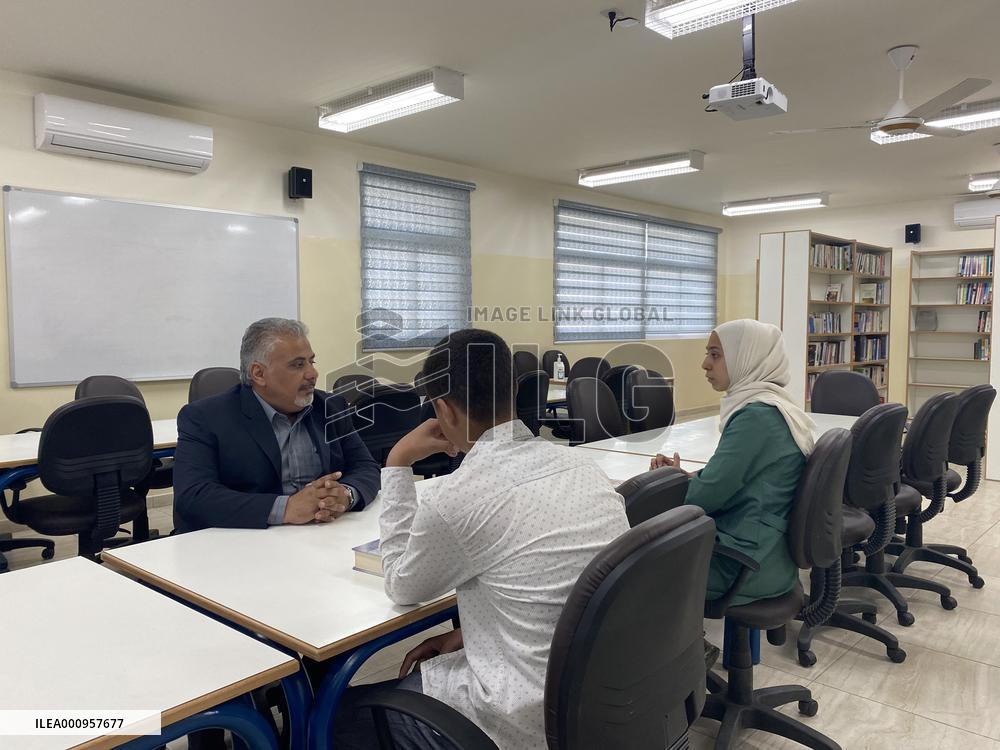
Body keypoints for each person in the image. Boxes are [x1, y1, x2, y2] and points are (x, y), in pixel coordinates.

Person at [333, 328, 630, 750]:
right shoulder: (581, 466)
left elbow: (401, 585)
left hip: (522, 717)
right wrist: (465, 635)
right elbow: (557, 591)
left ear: (442, 409)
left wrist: (398, 462)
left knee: (334, 716)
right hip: (597, 694)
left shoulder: (455, 497)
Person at [650, 319, 814, 608]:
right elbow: (733, 480)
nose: (704, 364)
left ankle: (684, 650)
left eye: (715, 354)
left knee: (633, 570)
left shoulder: (755, 418)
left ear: (746, 358)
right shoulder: (775, 406)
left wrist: (668, 485)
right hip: (769, 556)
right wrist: (685, 476)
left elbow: (702, 498)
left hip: (744, 564)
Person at [173, 317, 380, 534]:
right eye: (298, 365)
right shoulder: (205, 417)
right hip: (243, 545)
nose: (312, 373)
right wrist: (287, 508)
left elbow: (366, 466)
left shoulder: (330, 407)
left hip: (321, 538)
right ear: (259, 373)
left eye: (312, 362)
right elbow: (193, 496)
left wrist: (345, 495)